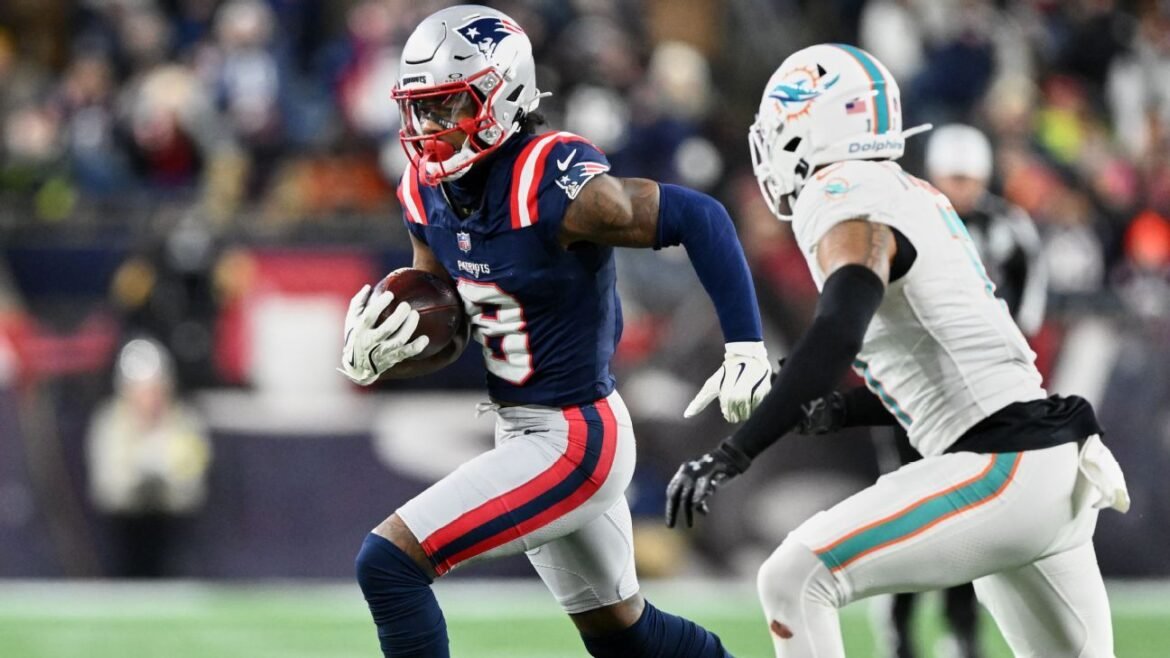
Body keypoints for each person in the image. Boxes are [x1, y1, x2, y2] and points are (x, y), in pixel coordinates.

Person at [666, 44, 1130, 658]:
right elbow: (950, 376)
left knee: (792, 579)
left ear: (814, 126)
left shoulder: (840, 192)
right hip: (1047, 466)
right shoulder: (908, 192)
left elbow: (837, 332)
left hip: (1000, 467)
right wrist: (834, 408)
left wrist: (734, 452)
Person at [337, 6, 772, 657]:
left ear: (502, 95)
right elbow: (448, 317)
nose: (429, 127)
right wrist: (387, 349)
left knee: (389, 563)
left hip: (575, 436)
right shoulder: (425, 191)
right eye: (421, 108)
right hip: (521, 428)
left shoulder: (549, 181)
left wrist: (744, 343)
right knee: (628, 639)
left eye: (448, 105)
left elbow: (702, 216)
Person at [860, 123, 1048, 658]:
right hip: (913, 385)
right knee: (906, 504)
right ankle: (899, 622)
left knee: (967, 510)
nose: (962, 187)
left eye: (969, 178)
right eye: (954, 176)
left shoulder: (1006, 226)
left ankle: (962, 626)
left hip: (975, 389)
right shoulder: (905, 216)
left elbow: (1028, 304)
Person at [86, 337, 212, 578]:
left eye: (156, 390)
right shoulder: (110, 424)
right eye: (142, 392)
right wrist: (138, 479)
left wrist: (165, 479)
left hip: (174, 530)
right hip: (123, 532)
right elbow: (106, 489)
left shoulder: (185, 423)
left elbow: (194, 488)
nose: (149, 399)